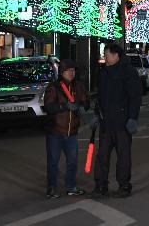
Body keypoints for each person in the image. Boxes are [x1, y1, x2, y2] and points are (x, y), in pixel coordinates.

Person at [95, 42, 142, 198]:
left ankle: (124, 185)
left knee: (123, 156)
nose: (104, 57)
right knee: (102, 156)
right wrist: (97, 115)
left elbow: (135, 97)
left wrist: (132, 118)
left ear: (115, 55)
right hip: (106, 123)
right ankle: (101, 185)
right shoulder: (103, 73)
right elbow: (100, 97)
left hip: (122, 122)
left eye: (106, 54)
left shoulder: (128, 72)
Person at [42, 58, 88, 199]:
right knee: (53, 162)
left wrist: (82, 108)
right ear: (62, 72)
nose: (71, 73)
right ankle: (51, 188)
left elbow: (86, 102)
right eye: (68, 70)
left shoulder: (78, 86)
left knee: (72, 162)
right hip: (55, 131)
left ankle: (71, 187)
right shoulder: (54, 87)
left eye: (73, 70)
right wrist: (64, 106)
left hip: (72, 131)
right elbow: (49, 107)